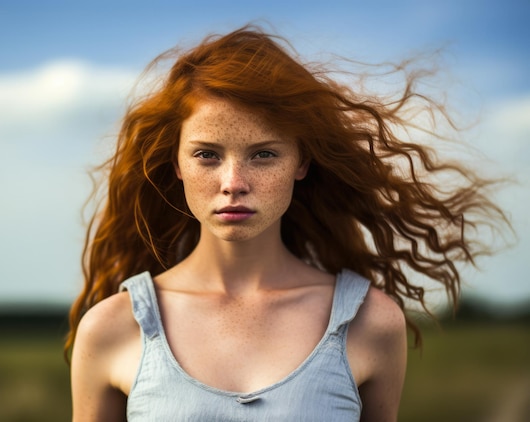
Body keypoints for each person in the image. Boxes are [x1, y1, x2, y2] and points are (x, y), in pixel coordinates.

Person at [66, 25, 508, 421]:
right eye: (207, 155)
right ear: (177, 165)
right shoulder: (112, 328)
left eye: (264, 154)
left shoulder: (370, 323)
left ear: (301, 162)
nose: (233, 183)